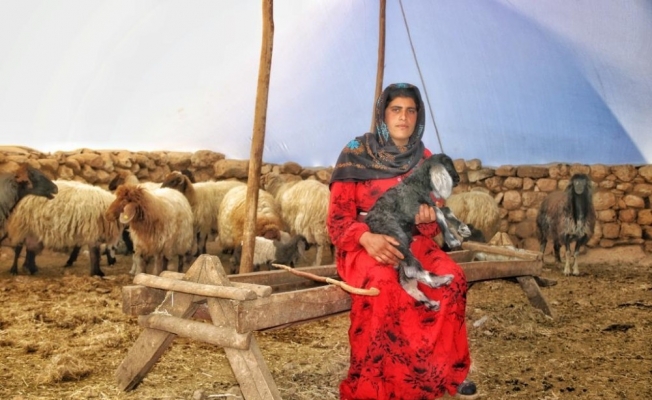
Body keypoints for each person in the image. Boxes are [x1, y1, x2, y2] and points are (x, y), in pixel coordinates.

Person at [327, 83, 477, 399]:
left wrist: (426, 218)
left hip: (412, 241)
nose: (403, 117)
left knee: (452, 279)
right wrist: (365, 237)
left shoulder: (425, 158)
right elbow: (338, 220)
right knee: (384, 284)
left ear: (418, 117)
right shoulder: (355, 151)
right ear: (383, 114)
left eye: (410, 111)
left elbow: (432, 221)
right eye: (396, 109)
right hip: (366, 244)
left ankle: (439, 374)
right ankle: (379, 385)